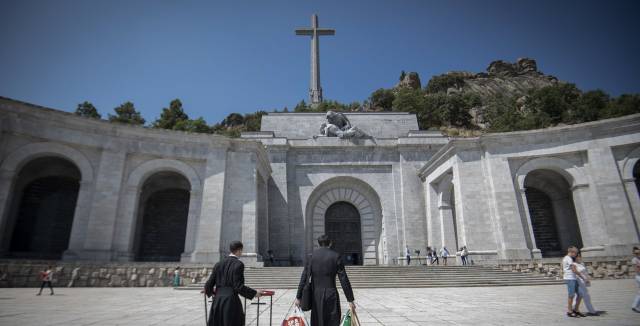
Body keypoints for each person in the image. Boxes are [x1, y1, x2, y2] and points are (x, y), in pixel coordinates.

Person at [295, 235, 355, 326]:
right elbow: (343, 279)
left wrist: (298, 297)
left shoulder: (311, 257)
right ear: (330, 243)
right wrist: (350, 299)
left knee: (317, 321)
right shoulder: (336, 256)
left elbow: (304, 278)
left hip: (316, 295)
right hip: (331, 294)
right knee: (333, 320)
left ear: (318, 244)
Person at [204, 241, 263, 326]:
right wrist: (254, 293)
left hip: (217, 301)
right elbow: (238, 286)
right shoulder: (238, 264)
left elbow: (208, 285)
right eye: (241, 251)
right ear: (239, 250)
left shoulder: (218, 264)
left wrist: (215, 293)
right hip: (231, 301)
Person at [563, 246, 584, 318]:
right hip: (570, 278)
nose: (576, 255)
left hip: (573, 278)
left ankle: (576, 310)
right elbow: (574, 270)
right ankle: (569, 311)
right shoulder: (568, 259)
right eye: (576, 253)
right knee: (571, 295)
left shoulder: (569, 259)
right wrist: (583, 277)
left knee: (580, 294)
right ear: (572, 252)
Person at [632, 247, 640, 313]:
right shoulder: (635, 260)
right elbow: (637, 270)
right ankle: (635, 306)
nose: (638, 254)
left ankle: (635, 306)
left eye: (639, 252)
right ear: (634, 253)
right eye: (636, 253)